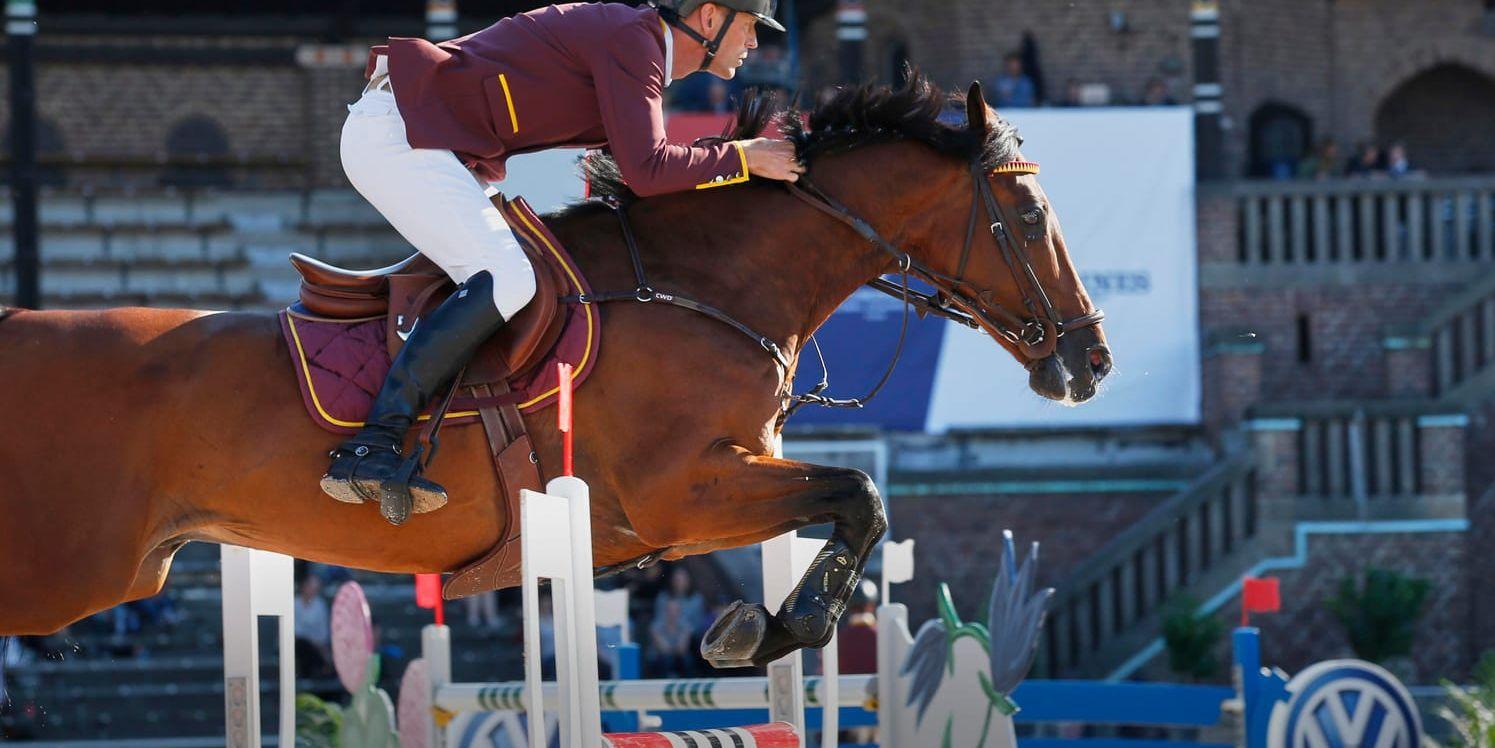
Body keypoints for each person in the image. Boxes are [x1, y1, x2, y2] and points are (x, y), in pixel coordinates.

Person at [319, 0, 806, 525]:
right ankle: (374, 443)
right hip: (402, 136)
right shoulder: (633, 41)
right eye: (753, 26)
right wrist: (744, 157)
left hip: (430, 142)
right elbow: (648, 170)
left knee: (530, 276)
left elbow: (638, 169)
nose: (756, 43)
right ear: (709, 18)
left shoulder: (636, 45)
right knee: (506, 278)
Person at [293, 575, 333, 678]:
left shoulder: (320, 605)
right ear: (303, 586)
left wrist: (317, 643)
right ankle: (322, 668)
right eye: (310, 587)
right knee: (303, 645)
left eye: (315, 588)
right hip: (297, 644)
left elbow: (323, 632)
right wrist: (312, 641)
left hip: (317, 646)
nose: (312, 590)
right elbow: (295, 631)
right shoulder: (293, 603)